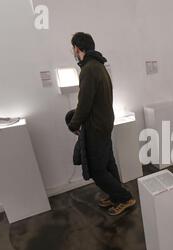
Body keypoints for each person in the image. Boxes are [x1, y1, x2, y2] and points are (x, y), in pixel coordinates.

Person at [68, 32, 136, 215]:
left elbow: (84, 104)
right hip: (104, 124)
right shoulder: (98, 65)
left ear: (77, 48)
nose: (73, 51)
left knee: (98, 171)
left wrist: (73, 124)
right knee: (108, 164)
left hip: (96, 127)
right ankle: (116, 195)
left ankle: (124, 197)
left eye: (73, 48)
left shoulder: (88, 69)